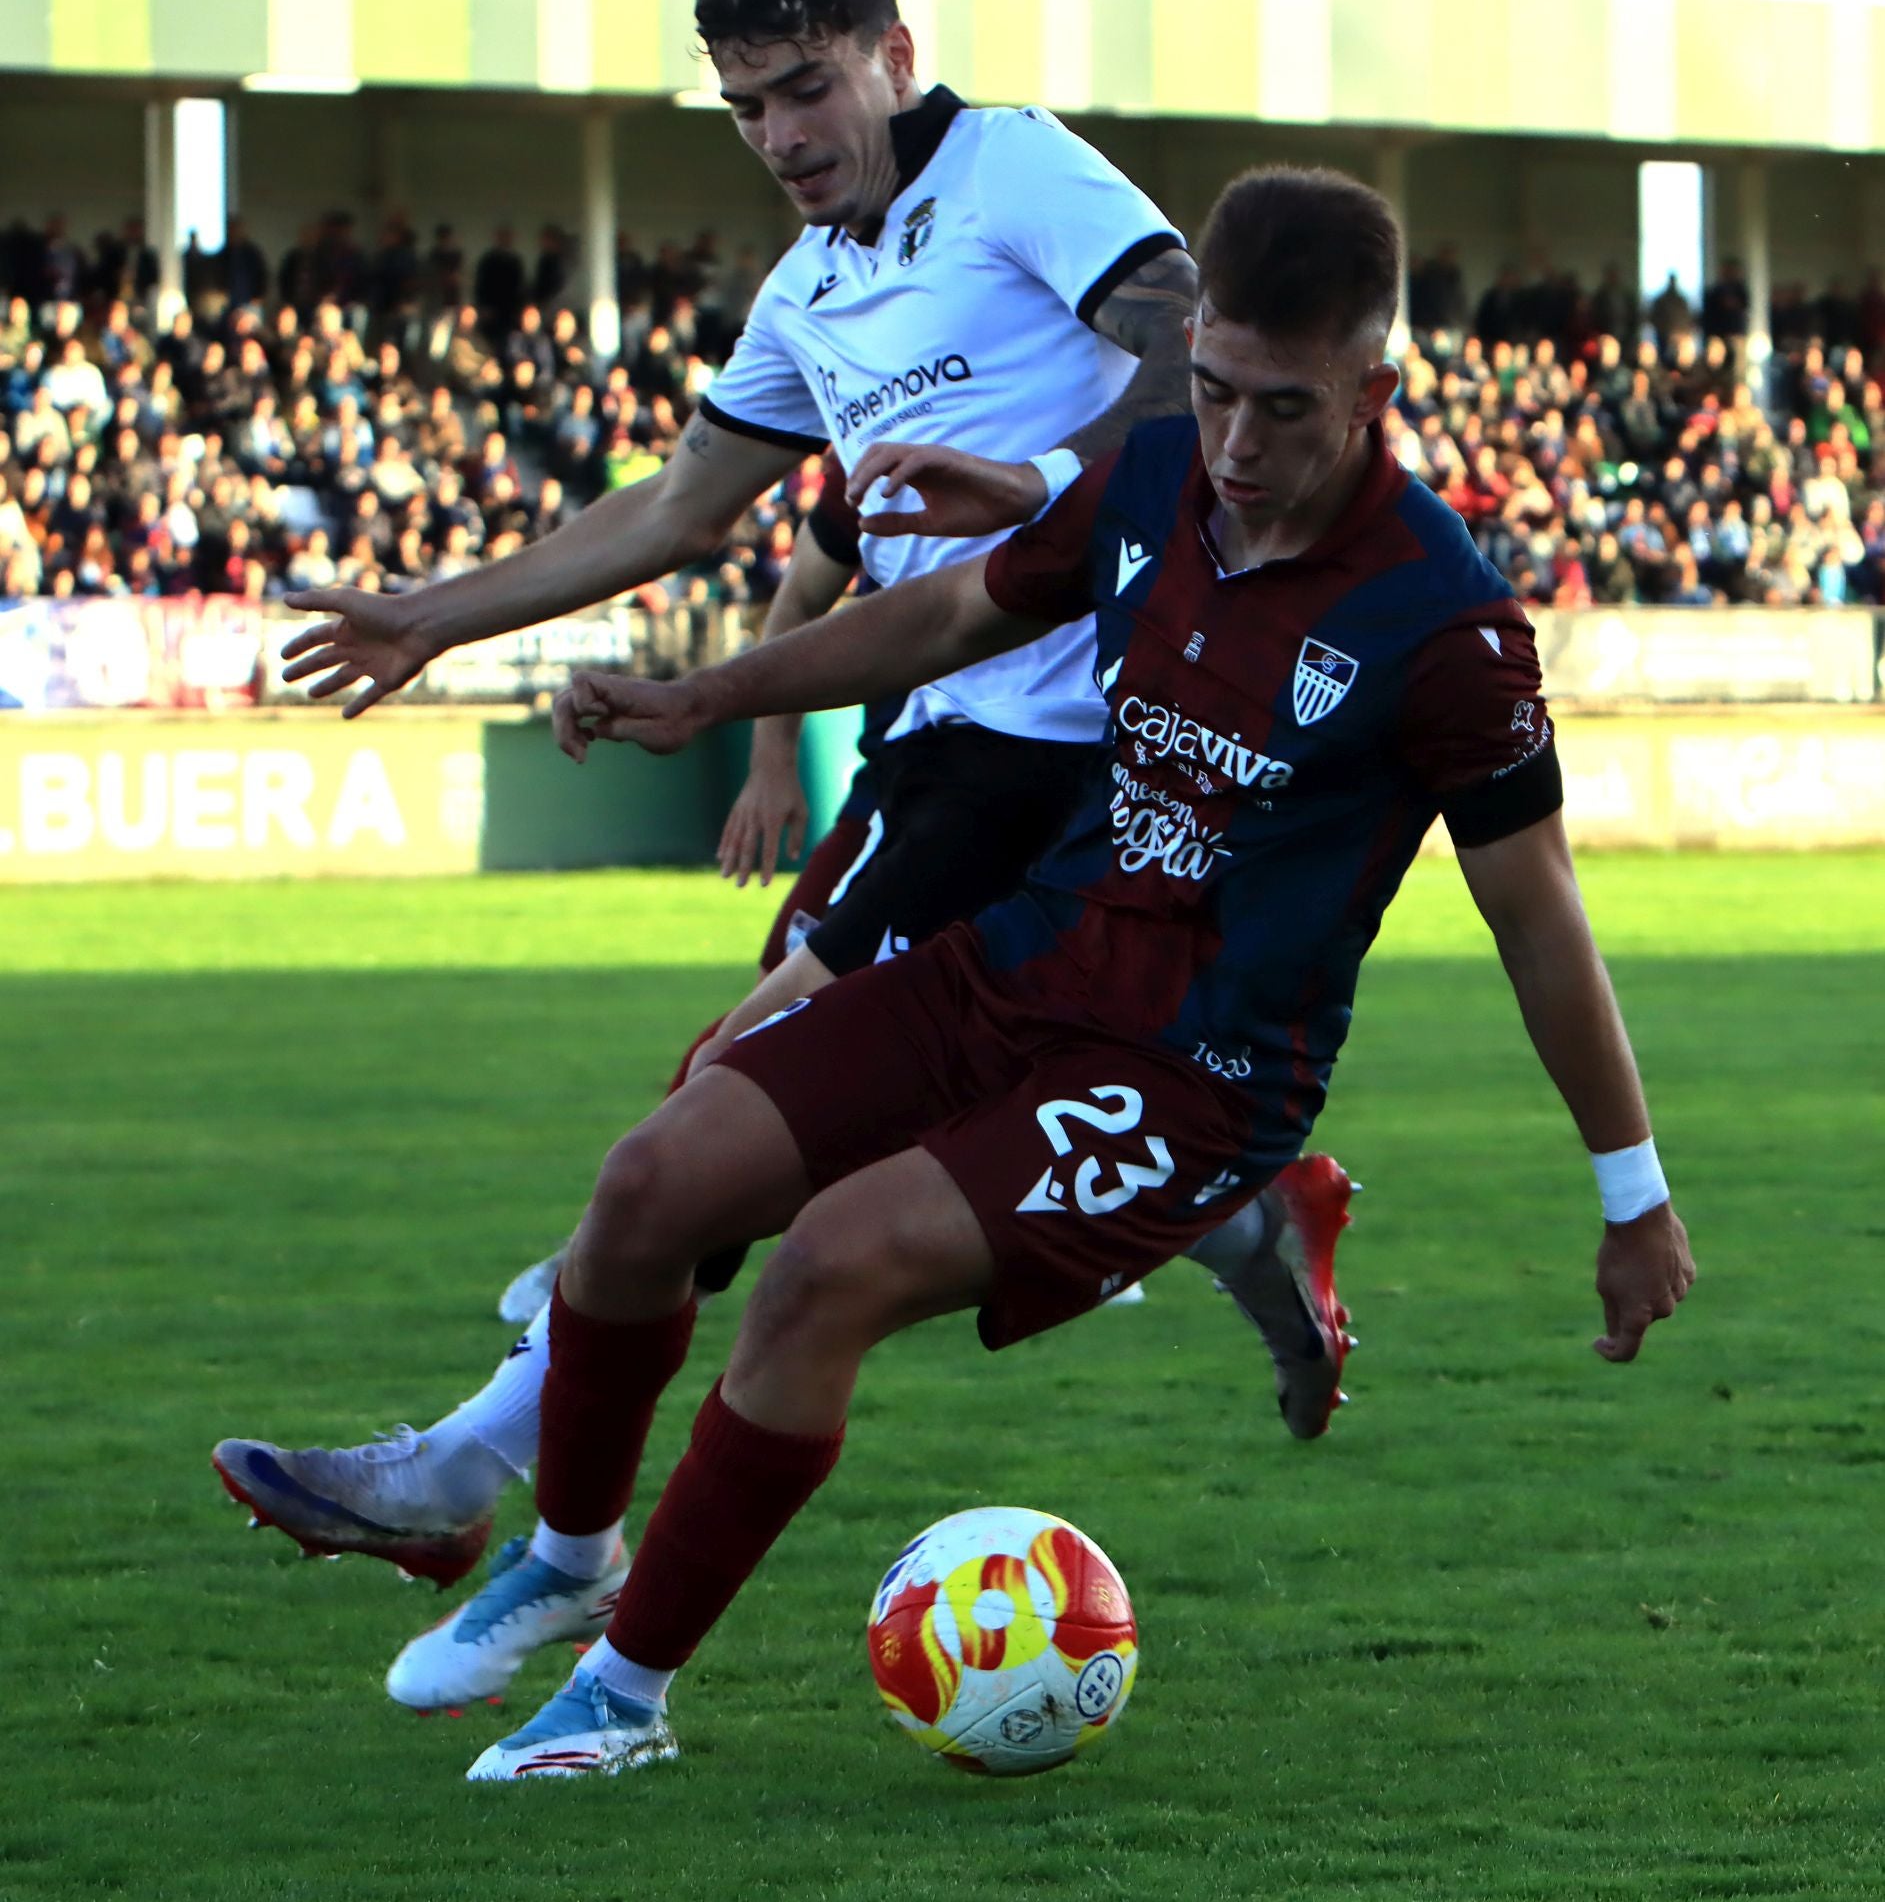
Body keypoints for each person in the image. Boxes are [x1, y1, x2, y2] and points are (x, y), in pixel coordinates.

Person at [361, 161, 1694, 1780]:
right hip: (1024, 960)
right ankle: (570, 1566)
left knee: (826, 1266)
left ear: (1374, 389)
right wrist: (711, 699)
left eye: (1282, 409)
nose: (1236, 445)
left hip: (1198, 1069)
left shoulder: (1446, 629)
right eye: (1209, 391)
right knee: (655, 1177)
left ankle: (624, 1702)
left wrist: (1630, 1196)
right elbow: (939, 623)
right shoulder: (1152, 481)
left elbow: (1535, 913)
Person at [213, 0, 1351, 1691]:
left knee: (729, 1111)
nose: (782, 136)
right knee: (749, 1112)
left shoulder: (1016, 170)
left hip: (1062, 752)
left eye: (806, 88)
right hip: (930, 745)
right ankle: (1229, 1206)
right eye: (745, 107)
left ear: (896, 58)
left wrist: (1041, 481)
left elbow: (1197, 343)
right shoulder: (809, 292)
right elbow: (680, 508)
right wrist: (435, 615)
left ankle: (496, 1499)